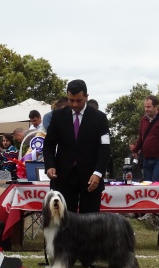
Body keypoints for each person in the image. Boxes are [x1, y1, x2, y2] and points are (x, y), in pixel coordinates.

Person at [43, 79, 111, 213]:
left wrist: (98, 173)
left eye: (78, 100)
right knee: (65, 223)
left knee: (90, 223)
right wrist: (50, 165)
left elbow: (105, 148)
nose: (74, 104)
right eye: (71, 100)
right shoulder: (57, 116)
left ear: (86, 97)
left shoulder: (100, 118)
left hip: (91, 177)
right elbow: (49, 144)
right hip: (63, 178)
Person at [133, 95, 159, 182]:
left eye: (149, 107)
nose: (146, 109)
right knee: (147, 185)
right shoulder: (143, 119)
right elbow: (141, 136)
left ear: (156, 107)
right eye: (145, 107)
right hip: (146, 158)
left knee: (156, 184)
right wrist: (135, 149)